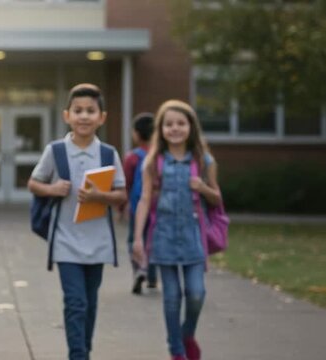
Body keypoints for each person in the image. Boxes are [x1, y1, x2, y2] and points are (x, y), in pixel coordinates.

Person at [27, 83, 127, 360]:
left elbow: (121, 195)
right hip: (65, 240)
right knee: (76, 302)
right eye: (78, 110)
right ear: (66, 115)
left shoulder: (108, 153)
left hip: (99, 242)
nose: (84, 116)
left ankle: (84, 349)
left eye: (90, 111)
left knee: (90, 303)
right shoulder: (56, 151)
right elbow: (34, 183)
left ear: (102, 117)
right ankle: (78, 355)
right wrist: (53, 189)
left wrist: (100, 195)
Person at [132, 100, 222, 360]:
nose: (175, 129)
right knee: (171, 297)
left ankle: (186, 334)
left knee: (196, 293)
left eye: (180, 123)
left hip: (194, 235)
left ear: (191, 127)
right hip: (164, 235)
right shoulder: (153, 162)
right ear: (160, 129)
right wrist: (137, 238)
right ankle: (177, 351)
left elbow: (217, 199)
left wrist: (202, 188)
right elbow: (145, 200)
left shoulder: (204, 161)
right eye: (169, 124)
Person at [120, 112, 157, 294]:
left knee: (134, 238)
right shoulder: (160, 155)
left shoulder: (132, 157)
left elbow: (125, 183)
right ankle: (152, 276)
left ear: (136, 134)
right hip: (157, 205)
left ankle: (138, 270)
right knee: (153, 238)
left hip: (137, 204)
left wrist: (122, 207)